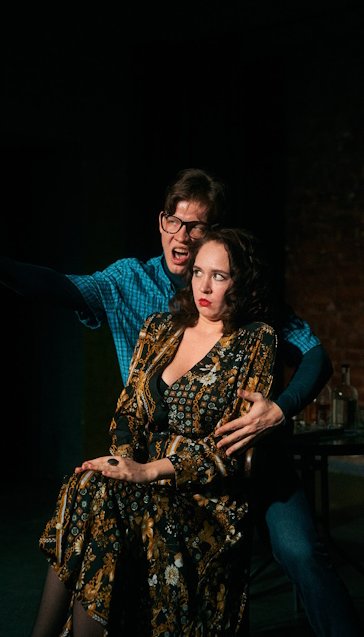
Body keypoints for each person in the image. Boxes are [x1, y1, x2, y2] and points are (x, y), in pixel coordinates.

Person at [0, 167, 361, 636]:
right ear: (161, 221)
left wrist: (279, 408)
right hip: (154, 456)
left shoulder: (250, 309)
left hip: (244, 449)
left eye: (197, 227)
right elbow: (62, 288)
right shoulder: (130, 284)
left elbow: (314, 354)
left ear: (216, 235)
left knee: (299, 552)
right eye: (175, 221)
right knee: (93, 496)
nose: (182, 236)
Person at [35, 228, 278, 636]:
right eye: (198, 272)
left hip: (203, 499)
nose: (204, 286)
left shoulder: (255, 341)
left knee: (100, 497)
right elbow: (128, 410)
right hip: (141, 478)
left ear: (241, 281)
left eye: (219, 276)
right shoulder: (159, 327)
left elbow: (228, 449)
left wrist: (148, 472)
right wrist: (123, 464)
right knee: (90, 485)